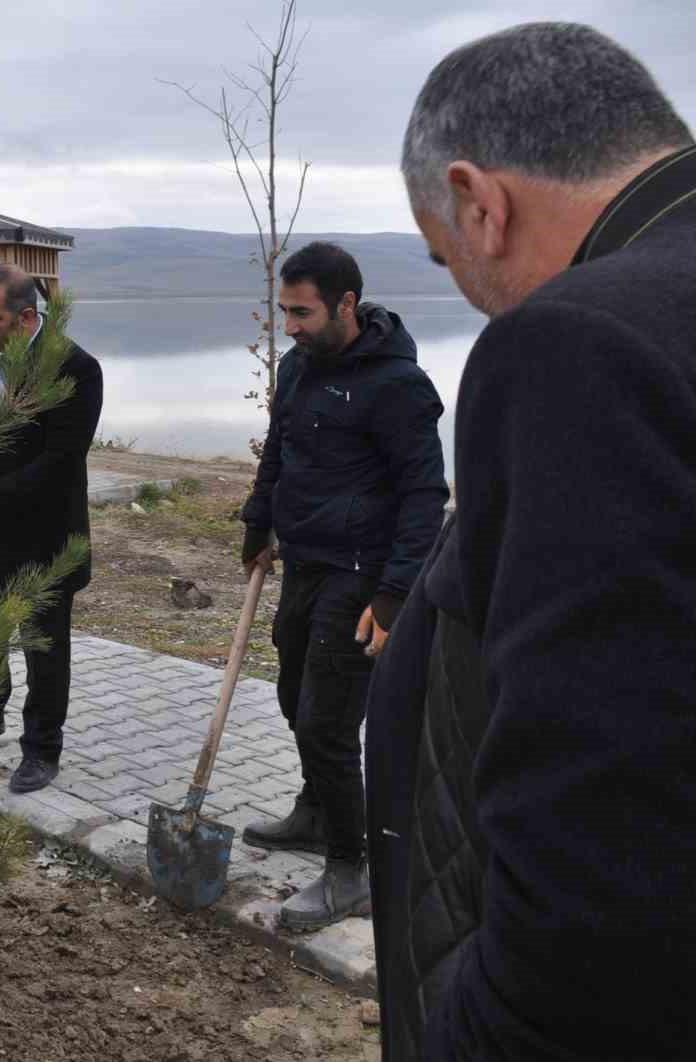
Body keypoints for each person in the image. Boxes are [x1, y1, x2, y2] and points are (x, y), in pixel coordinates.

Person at [369, 23, 696, 1060]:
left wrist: (473, 1030)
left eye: (444, 257)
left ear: (479, 202)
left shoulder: (585, 340)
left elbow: (597, 863)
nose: (467, 290)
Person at [237, 242, 447, 932]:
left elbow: (424, 496)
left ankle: (351, 869)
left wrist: (393, 597)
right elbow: (280, 453)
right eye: (284, 311)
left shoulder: (398, 387)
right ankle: (316, 809)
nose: (290, 325)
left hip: (361, 573)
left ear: (346, 305)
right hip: (304, 560)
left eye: (301, 312)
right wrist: (257, 521)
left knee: (328, 723)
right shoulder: (298, 367)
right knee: (296, 697)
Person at [0, 264, 104, 795]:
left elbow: (63, 458)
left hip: (46, 535)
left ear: (25, 317)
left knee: (43, 647)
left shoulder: (76, 368)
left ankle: (41, 749)